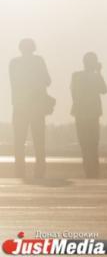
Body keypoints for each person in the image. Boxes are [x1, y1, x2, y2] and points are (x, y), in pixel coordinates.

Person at [9, 39, 52, 179]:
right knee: (39, 141)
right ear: (33, 48)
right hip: (36, 107)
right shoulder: (38, 61)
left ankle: (19, 173)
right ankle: (40, 173)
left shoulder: (14, 63)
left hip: (20, 106)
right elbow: (47, 81)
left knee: (19, 142)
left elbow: (14, 83)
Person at [71, 52, 107, 178]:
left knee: (85, 145)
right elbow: (104, 89)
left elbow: (74, 92)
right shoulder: (95, 76)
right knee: (93, 145)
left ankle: (89, 172)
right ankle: (93, 173)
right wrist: (98, 72)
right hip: (91, 114)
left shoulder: (76, 76)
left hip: (81, 114)